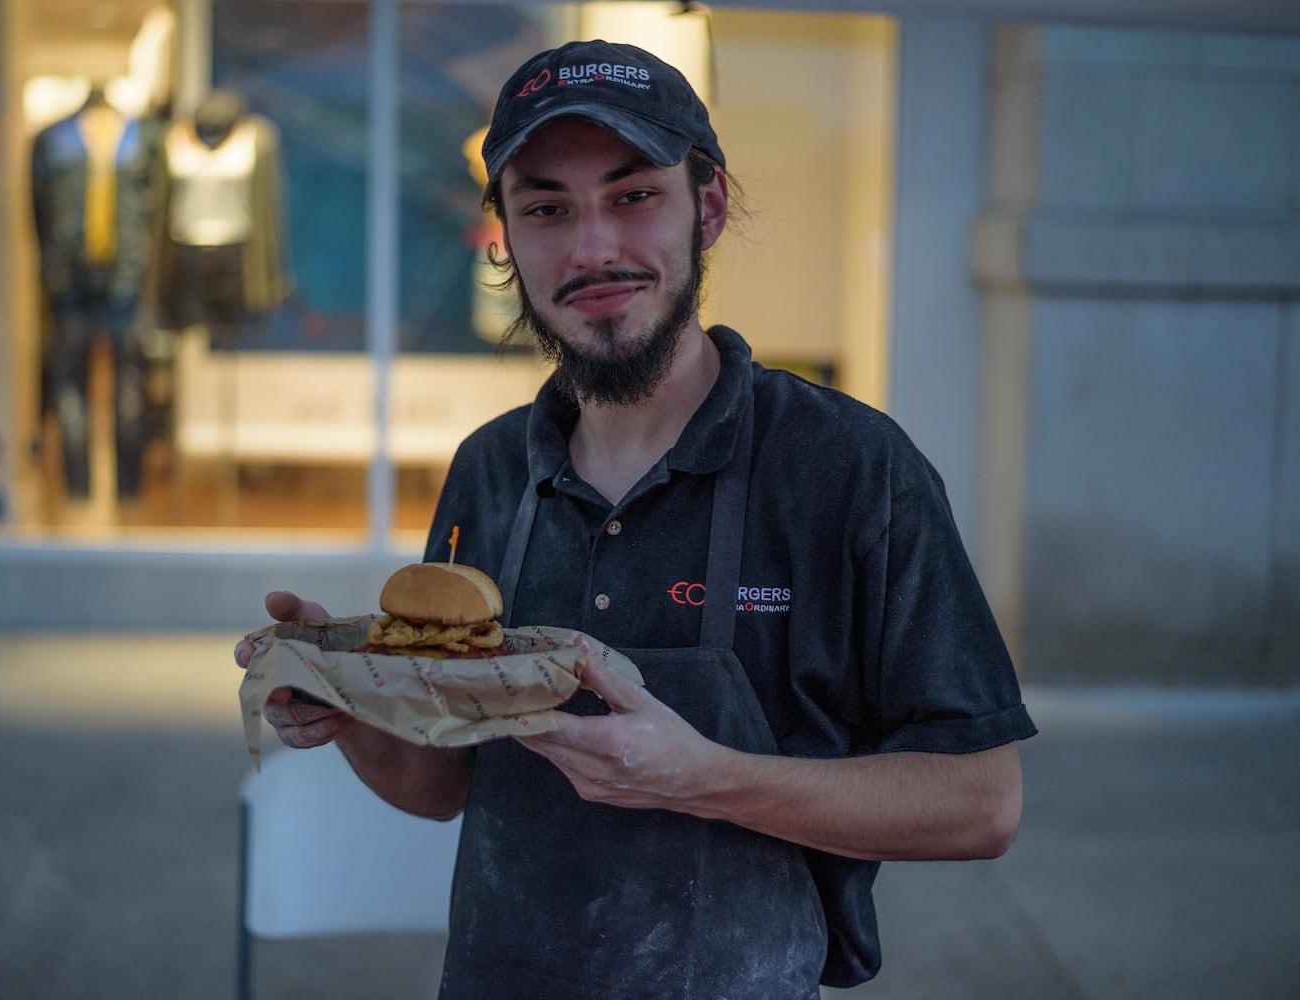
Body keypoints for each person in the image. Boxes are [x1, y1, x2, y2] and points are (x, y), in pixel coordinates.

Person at [234, 39, 1036, 999]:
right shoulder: (490, 472)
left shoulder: (850, 470)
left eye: (633, 196)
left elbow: (981, 805)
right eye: (546, 209)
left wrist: (697, 775)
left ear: (708, 206)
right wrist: (349, 703)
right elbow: (444, 787)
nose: (591, 249)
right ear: (505, 240)